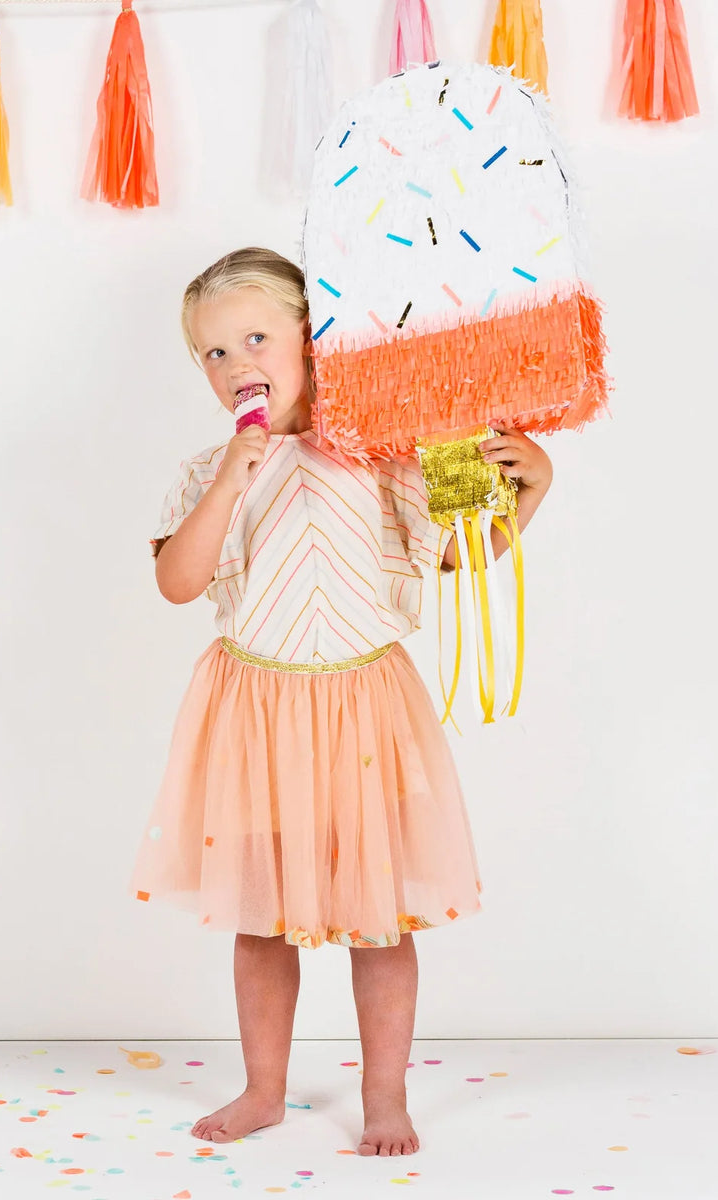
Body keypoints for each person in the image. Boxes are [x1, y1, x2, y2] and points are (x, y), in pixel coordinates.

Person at [130, 247, 553, 1156]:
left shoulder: (386, 451)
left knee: (380, 919)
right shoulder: (212, 470)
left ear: (314, 340)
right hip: (257, 714)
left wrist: (533, 490)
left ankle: (387, 1097)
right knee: (259, 917)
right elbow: (177, 581)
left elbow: (458, 557)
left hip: (365, 709)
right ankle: (263, 1088)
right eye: (212, 354)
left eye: (256, 338)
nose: (237, 365)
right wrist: (229, 483)